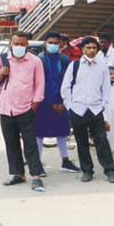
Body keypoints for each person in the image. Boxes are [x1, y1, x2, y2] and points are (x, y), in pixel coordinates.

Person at [0, 31, 46, 191]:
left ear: (27, 45)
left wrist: (36, 102)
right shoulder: (2, 59)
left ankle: (36, 175)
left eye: (22, 44)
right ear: (10, 44)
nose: (19, 47)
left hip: (26, 108)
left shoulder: (35, 61)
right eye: (16, 44)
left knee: (30, 144)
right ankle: (17, 174)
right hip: (6, 108)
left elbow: (40, 83)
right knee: (11, 143)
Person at [61, 36, 114, 183]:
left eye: (94, 48)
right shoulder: (74, 65)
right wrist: (70, 106)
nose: (91, 50)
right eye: (88, 48)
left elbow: (106, 89)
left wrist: (103, 108)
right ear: (82, 49)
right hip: (78, 109)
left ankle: (110, 170)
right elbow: (65, 87)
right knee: (82, 142)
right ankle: (87, 171)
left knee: (101, 141)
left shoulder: (102, 66)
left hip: (96, 109)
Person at [36, 32, 80, 174]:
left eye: (56, 43)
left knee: (62, 132)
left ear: (61, 44)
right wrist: (49, 101)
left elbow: (69, 82)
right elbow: (38, 83)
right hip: (43, 102)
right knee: (39, 133)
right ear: (45, 43)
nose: (53, 45)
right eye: (51, 42)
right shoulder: (39, 60)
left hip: (61, 103)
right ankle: (36, 163)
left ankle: (65, 161)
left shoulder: (64, 60)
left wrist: (63, 102)